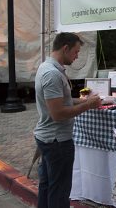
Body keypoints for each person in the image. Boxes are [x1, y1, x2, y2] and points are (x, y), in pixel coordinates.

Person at [34, 32, 101, 208]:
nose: (77, 56)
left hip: (48, 138)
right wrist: (87, 106)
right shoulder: (52, 74)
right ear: (65, 48)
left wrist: (85, 101)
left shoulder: (47, 68)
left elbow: (62, 101)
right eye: (76, 52)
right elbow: (58, 113)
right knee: (60, 191)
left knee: (47, 185)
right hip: (57, 141)